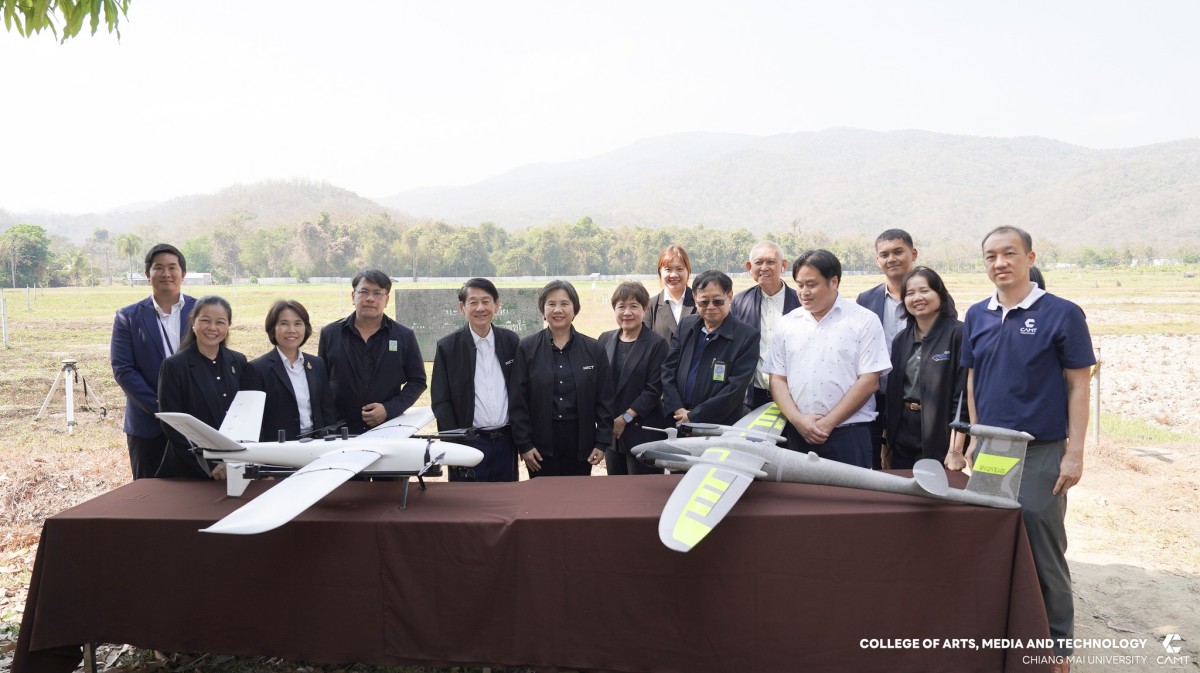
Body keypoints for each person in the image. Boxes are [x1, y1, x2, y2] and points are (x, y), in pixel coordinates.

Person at [962, 226, 1094, 669]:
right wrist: (975, 437)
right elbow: (973, 379)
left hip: (1041, 449)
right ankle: (1004, 631)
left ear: (1030, 257)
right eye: (991, 256)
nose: (999, 263)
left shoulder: (1062, 313)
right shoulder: (977, 315)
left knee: (1042, 544)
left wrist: (1074, 452)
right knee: (992, 539)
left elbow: (1079, 385)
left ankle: (1056, 646)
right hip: (992, 447)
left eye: (1009, 253)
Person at [766, 250, 891, 467]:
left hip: (849, 436)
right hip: (798, 434)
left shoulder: (864, 321)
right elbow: (777, 378)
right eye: (799, 285)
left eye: (811, 284)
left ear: (834, 282)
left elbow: (870, 381)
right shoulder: (787, 323)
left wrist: (828, 423)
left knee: (850, 490)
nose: (804, 292)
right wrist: (797, 419)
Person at [510, 280, 614, 477]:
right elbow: (518, 401)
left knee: (576, 494)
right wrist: (524, 444)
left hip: (581, 445)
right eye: (551, 304)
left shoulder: (594, 349)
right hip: (539, 446)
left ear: (575, 309)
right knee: (543, 495)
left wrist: (602, 442)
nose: (558, 310)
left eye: (564, 303)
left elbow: (605, 400)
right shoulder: (527, 348)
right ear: (543, 310)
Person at [111, 243, 197, 479]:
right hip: (148, 425)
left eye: (172, 267)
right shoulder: (128, 316)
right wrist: (162, 408)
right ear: (147, 274)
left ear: (183, 273)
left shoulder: (202, 311)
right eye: (158, 268)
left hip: (197, 423)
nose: (166, 273)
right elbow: (123, 370)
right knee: (148, 493)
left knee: (197, 492)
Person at [430, 278, 520, 482]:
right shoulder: (448, 347)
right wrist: (452, 445)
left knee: (505, 497)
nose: (480, 308)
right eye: (473, 302)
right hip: (468, 443)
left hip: (506, 442)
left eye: (486, 301)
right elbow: (441, 401)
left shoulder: (511, 341)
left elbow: (521, 392)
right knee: (468, 499)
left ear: (496, 305)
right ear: (462, 308)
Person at [318, 270, 426, 435]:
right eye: (364, 292)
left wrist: (389, 409)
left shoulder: (404, 336)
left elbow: (417, 381)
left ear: (386, 299)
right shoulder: (330, 334)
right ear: (353, 296)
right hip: (340, 431)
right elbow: (321, 384)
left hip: (389, 429)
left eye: (377, 293)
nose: (370, 298)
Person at [883, 267, 967, 470]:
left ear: (940, 294)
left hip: (939, 430)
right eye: (910, 293)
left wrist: (955, 449)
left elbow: (962, 397)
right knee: (901, 485)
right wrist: (886, 444)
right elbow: (892, 393)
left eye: (925, 291)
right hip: (902, 428)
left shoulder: (959, 333)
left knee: (935, 486)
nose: (917, 298)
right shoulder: (901, 339)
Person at [155, 296, 247, 479]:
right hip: (189, 469)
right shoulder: (174, 366)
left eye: (220, 322)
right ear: (193, 321)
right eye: (205, 320)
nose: (212, 328)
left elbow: (245, 412)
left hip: (235, 463)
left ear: (228, 326)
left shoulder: (238, 361)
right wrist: (209, 464)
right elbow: (172, 423)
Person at [661, 270, 759, 427]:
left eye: (718, 301)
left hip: (718, 426)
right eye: (704, 302)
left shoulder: (746, 337)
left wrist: (694, 416)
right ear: (695, 299)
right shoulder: (686, 326)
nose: (711, 307)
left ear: (730, 297)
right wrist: (677, 408)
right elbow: (668, 370)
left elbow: (735, 389)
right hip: (677, 419)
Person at [857, 229, 919, 469]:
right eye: (884, 254)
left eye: (898, 252)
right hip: (874, 396)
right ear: (877, 260)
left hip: (912, 402)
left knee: (905, 466)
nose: (891, 259)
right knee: (870, 462)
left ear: (913, 254)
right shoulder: (866, 300)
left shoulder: (930, 296)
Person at [597, 281, 669, 475]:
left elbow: (653, 390)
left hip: (643, 433)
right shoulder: (605, 339)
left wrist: (625, 418)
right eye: (621, 306)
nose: (627, 312)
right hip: (613, 435)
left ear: (644, 309)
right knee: (616, 488)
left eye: (634, 306)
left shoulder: (657, 344)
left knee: (643, 489)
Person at [242, 300, 337, 441]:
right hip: (280, 447)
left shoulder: (317, 364)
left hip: (317, 443)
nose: (291, 330)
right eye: (284, 323)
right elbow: (254, 420)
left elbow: (327, 409)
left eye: (298, 324)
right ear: (272, 328)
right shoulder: (257, 369)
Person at [731, 241, 800, 409]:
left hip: (794, 394)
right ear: (749, 267)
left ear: (783, 266)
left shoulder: (800, 301)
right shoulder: (740, 302)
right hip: (753, 395)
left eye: (770, 262)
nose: (764, 267)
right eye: (758, 262)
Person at [643, 244, 696, 342]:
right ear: (660, 272)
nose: (674, 275)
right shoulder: (650, 306)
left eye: (679, 269)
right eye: (668, 269)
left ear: (689, 271)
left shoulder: (700, 302)